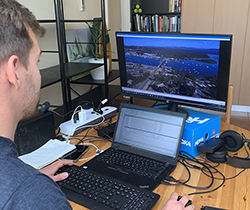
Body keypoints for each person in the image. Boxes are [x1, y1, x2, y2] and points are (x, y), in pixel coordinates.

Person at [0, 0, 194, 209]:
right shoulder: (34, 194)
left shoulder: (26, 185)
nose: (38, 73)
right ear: (14, 71)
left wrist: (29, 176)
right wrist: (31, 185)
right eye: (37, 62)